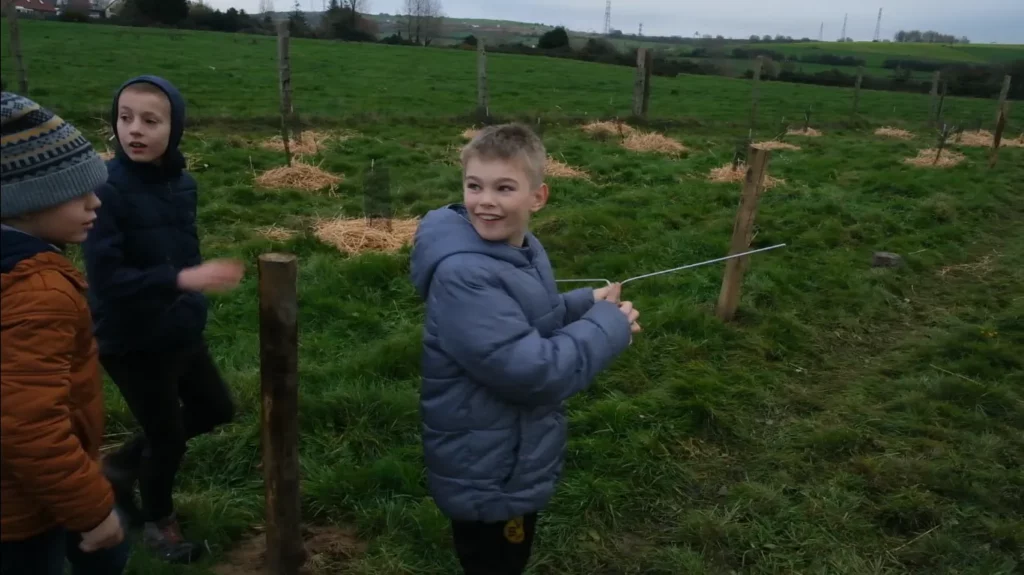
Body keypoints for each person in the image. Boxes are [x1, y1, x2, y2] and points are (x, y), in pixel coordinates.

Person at [409, 123, 641, 575]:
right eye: (474, 186)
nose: (485, 201)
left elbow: (527, 320)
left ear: (538, 197)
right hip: (485, 467)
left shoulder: (520, 249)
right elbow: (532, 371)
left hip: (506, 448)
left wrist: (584, 304)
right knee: (496, 562)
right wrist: (607, 328)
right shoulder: (465, 275)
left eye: (504, 187)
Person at [81, 76, 244, 564]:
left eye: (151, 121)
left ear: (175, 129)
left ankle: (119, 467)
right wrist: (184, 281)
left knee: (215, 408)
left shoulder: (181, 183)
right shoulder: (105, 189)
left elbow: (182, 248)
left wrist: (188, 298)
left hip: (177, 327)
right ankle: (158, 522)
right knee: (167, 437)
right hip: (130, 338)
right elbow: (108, 280)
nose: (134, 130)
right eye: (125, 117)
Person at [1, 91, 131, 574]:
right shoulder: (37, 292)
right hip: (21, 509)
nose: (95, 202)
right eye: (78, 193)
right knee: (104, 547)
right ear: (25, 200)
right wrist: (91, 511)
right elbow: (28, 426)